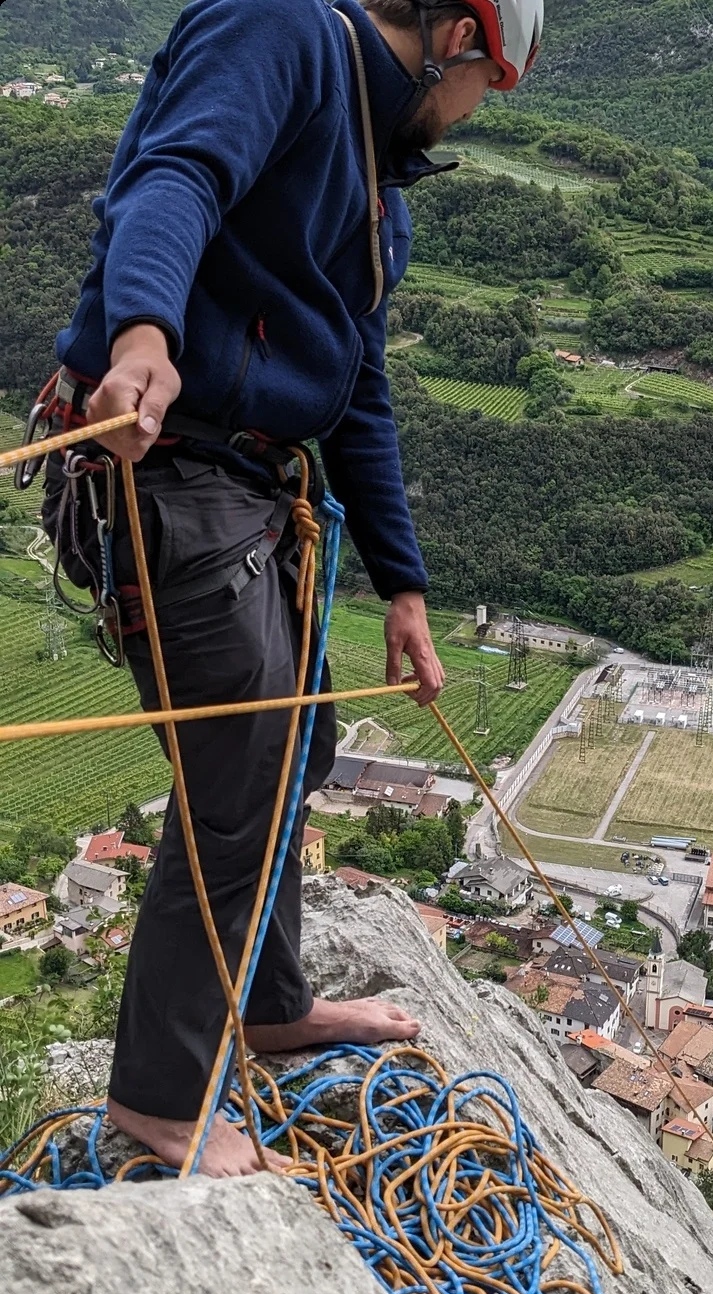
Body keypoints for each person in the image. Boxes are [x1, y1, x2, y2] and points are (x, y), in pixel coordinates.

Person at [31, 0, 543, 1178]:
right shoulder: (284, 29)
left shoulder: (375, 191)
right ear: (461, 37)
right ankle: (157, 1108)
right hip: (161, 460)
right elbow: (175, 178)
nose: (484, 110)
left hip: (247, 482)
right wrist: (145, 332)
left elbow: (356, 387)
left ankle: (265, 1008)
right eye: (493, 83)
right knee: (242, 770)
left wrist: (402, 587)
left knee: (292, 753)